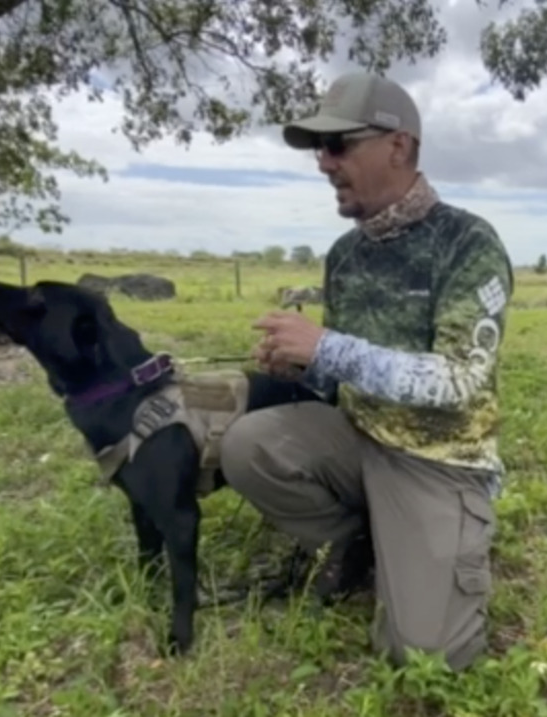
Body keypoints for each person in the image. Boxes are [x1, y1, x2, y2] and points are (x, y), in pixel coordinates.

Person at [218, 71, 514, 672]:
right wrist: (298, 365)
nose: (323, 163)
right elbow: (335, 383)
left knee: (428, 655)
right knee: (249, 446)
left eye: (337, 145)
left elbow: (460, 382)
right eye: (318, 150)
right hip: (358, 438)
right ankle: (354, 541)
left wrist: (326, 346)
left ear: (397, 146)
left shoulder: (466, 243)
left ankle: (438, 539)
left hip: (439, 463)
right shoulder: (345, 256)